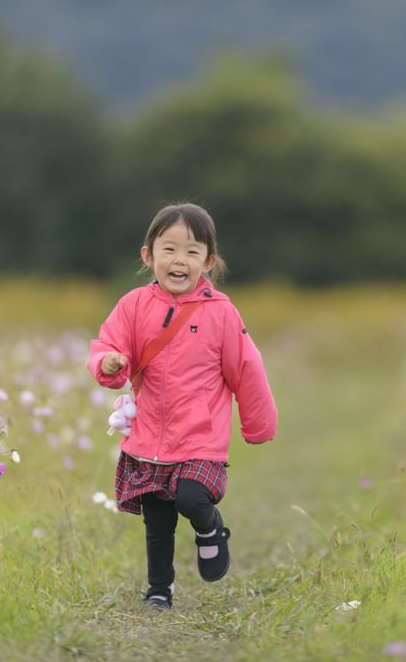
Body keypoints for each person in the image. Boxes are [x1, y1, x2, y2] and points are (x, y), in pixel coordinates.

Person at [88, 203, 277, 610]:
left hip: (200, 437)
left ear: (208, 261)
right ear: (148, 255)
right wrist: (108, 362)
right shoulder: (134, 305)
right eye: (169, 249)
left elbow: (248, 368)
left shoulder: (221, 313)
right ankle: (160, 589)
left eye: (192, 251)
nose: (179, 260)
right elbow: (108, 344)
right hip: (149, 436)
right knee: (158, 522)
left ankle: (210, 530)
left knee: (191, 499)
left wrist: (258, 425)